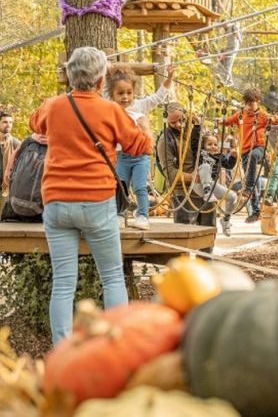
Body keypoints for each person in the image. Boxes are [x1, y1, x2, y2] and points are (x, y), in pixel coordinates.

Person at [29, 47, 152, 345]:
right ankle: (117, 346)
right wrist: (142, 126)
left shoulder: (54, 105)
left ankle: (63, 350)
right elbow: (140, 147)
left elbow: (35, 123)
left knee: (63, 284)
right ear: (100, 82)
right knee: (111, 277)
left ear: (71, 76)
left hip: (57, 202)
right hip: (96, 201)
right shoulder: (112, 111)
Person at [106, 64, 175, 230]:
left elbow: (157, 98)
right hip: (122, 156)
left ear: (134, 93)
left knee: (139, 187)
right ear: (112, 95)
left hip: (141, 157)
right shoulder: (110, 108)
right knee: (121, 186)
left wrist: (169, 80)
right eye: (120, 93)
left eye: (129, 93)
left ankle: (142, 215)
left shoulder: (139, 106)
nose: (125, 97)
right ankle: (120, 214)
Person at [156, 102, 217, 249]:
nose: (178, 124)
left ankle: (206, 267)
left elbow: (209, 149)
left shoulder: (195, 131)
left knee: (207, 236)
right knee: (183, 240)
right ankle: (183, 270)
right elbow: (170, 173)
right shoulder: (165, 140)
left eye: (181, 120)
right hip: (183, 193)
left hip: (205, 189)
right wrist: (192, 177)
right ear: (166, 120)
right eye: (173, 122)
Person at [222, 87, 278, 223]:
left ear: (258, 102)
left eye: (252, 103)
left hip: (259, 149)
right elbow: (227, 121)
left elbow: (277, 121)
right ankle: (255, 210)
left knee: (252, 164)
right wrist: (219, 120)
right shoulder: (241, 114)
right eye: (247, 103)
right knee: (249, 176)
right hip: (244, 151)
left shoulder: (263, 115)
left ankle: (248, 188)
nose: (249, 106)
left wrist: (275, 118)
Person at [195, 133, 238, 237]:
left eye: (215, 144)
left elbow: (229, 166)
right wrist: (197, 127)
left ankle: (226, 220)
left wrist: (233, 157)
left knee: (232, 196)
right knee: (205, 166)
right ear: (203, 146)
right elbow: (194, 142)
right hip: (199, 184)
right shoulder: (200, 154)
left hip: (212, 184)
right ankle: (207, 192)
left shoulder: (220, 157)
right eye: (209, 144)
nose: (213, 147)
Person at [0, 111, 21, 212]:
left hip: (6, 188)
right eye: (5, 122)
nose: (8, 125)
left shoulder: (16, 144)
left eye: (10, 122)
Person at [214, 20, 242, 87]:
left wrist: (238, 37)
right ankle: (227, 80)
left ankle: (226, 81)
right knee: (221, 63)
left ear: (227, 23)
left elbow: (238, 37)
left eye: (223, 25)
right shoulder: (226, 29)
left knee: (228, 65)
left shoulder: (233, 26)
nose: (223, 27)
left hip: (233, 49)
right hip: (228, 49)